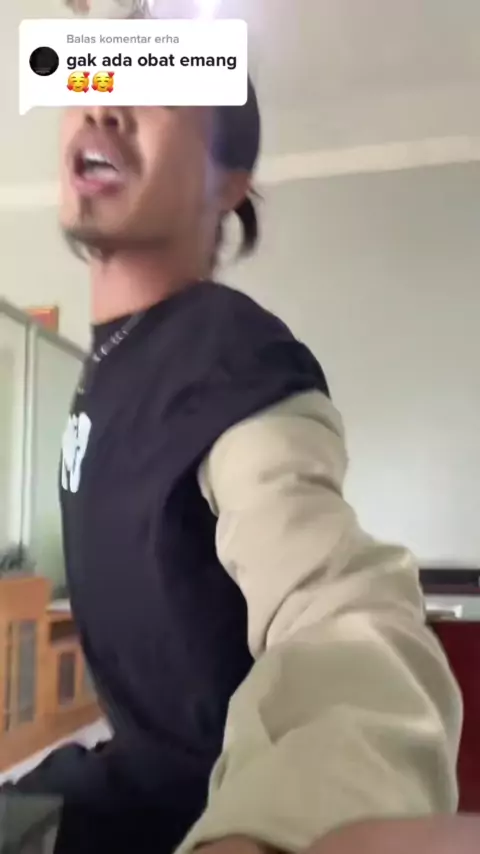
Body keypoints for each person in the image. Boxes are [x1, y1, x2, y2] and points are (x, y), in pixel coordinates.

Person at [11, 82, 461, 854]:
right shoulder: (113, 362)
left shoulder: (224, 354)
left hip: (213, 819)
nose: (105, 106)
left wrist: (282, 829)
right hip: (121, 784)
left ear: (229, 183)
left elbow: (342, 611)